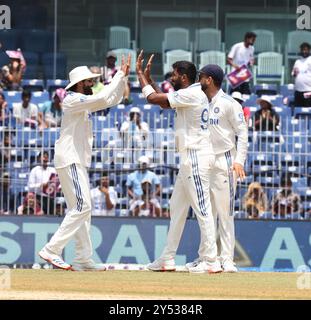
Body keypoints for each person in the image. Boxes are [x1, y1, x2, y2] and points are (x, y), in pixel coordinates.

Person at [38, 55, 131, 271]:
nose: (92, 84)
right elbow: (104, 95)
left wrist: (123, 76)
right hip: (69, 159)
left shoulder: (83, 102)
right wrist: (118, 74)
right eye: (89, 81)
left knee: (81, 210)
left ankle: (83, 259)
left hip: (76, 161)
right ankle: (52, 250)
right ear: (80, 84)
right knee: (82, 206)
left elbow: (111, 100)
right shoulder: (72, 99)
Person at [136, 51, 220, 273]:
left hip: (196, 156)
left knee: (202, 209)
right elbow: (165, 103)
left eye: (174, 74)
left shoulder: (192, 94)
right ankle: (167, 259)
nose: (171, 77)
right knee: (177, 208)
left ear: (183, 77)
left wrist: (140, 77)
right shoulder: (189, 94)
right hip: (189, 158)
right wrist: (150, 81)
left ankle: (211, 260)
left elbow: (154, 99)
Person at [186, 64, 248, 273]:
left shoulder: (230, 103)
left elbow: (243, 133)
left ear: (210, 80)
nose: (198, 80)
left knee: (225, 213)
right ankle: (206, 258)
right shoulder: (199, 100)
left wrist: (239, 160)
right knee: (206, 213)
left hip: (225, 161)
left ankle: (227, 260)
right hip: (204, 160)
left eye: (201, 77)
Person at [27, 151, 58, 216]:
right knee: (40, 216)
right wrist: (41, 185)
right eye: (43, 157)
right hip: (38, 197)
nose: (45, 159)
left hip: (51, 198)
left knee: (51, 217)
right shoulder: (34, 170)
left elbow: (57, 182)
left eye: (46, 157)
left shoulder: (53, 170)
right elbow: (30, 186)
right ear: (39, 159)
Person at [292, 42, 311, 107]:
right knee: (297, 111)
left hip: (308, 91)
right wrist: (295, 73)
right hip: (298, 91)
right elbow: (293, 74)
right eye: (302, 50)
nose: (304, 51)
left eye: (306, 50)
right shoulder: (297, 61)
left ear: (309, 50)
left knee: (308, 111)